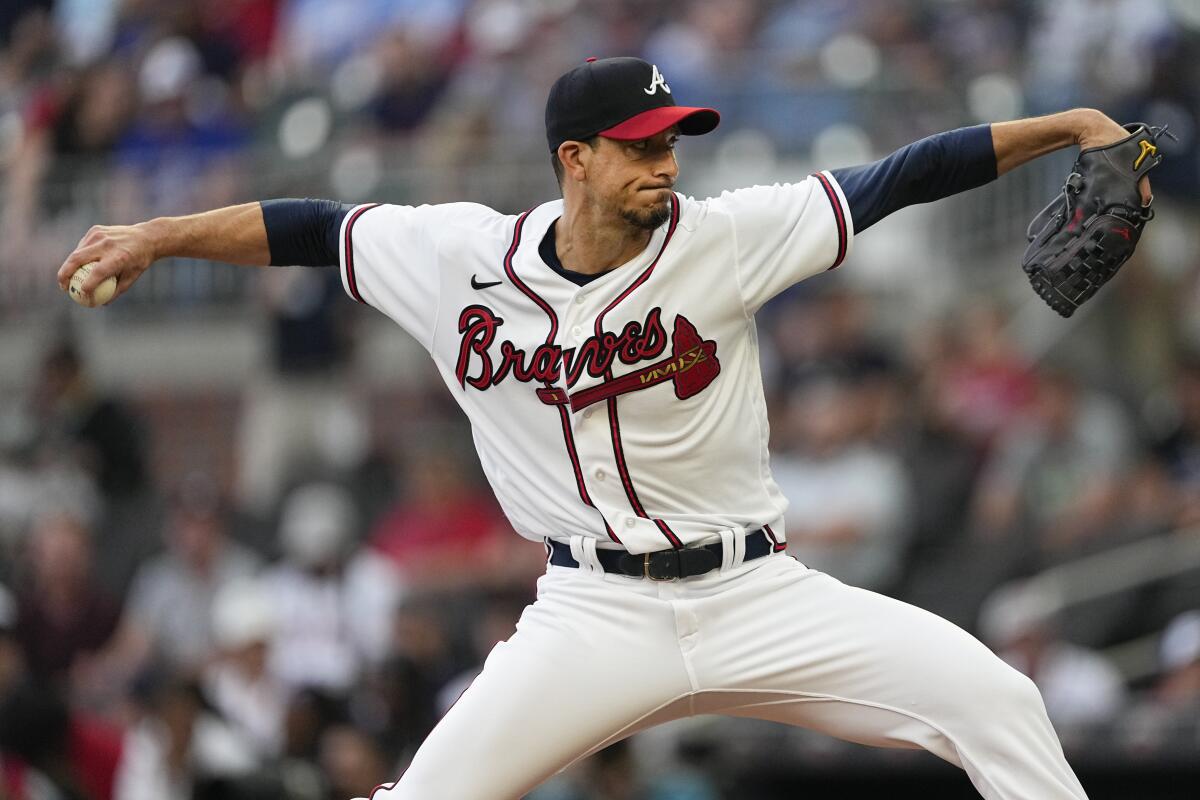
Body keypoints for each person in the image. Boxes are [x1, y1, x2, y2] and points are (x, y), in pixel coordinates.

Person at [56, 56, 1154, 800]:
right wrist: (162, 234)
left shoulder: (724, 236)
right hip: (592, 611)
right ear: (573, 158)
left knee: (998, 702)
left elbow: (901, 177)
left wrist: (1062, 125)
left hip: (758, 591)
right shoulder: (457, 255)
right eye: (639, 147)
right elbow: (307, 227)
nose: (664, 165)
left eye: (672, 142)